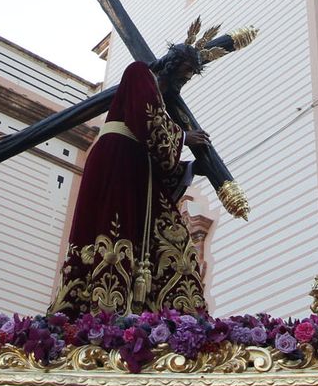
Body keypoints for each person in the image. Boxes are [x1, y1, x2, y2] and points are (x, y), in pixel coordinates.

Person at [50, 45, 210, 316]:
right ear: (171, 64)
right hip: (116, 159)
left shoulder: (162, 100)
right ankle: (103, 305)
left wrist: (192, 168)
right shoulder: (139, 73)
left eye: (190, 76)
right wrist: (184, 137)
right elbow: (146, 122)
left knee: (171, 233)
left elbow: (158, 160)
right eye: (185, 72)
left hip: (135, 166)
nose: (185, 80)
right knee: (114, 227)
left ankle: (167, 313)